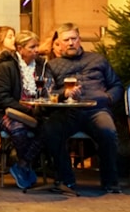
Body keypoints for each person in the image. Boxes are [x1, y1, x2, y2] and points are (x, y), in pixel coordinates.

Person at [47, 22, 124, 194]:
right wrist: (64, 93)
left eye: (74, 39)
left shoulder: (97, 59)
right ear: (58, 43)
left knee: (108, 132)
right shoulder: (53, 65)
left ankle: (110, 182)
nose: (70, 43)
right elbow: (49, 92)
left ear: (80, 40)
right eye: (66, 40)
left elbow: (116, 85)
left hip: (97, 109)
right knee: (51, 130)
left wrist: (109, 98)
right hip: (69, 111)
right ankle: (66, 180)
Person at [0, 30, 50, 190]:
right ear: (20, 48)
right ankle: (24, 167)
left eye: (37, 46)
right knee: (18, 129)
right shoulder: (5, 67)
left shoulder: (42, 66)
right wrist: (27, 109)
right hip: (7, 111)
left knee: (51, 128)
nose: (37, 50)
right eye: (32, 47)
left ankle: (22, 165)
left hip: (36, 112)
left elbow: (48, 89)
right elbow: (2, 97)